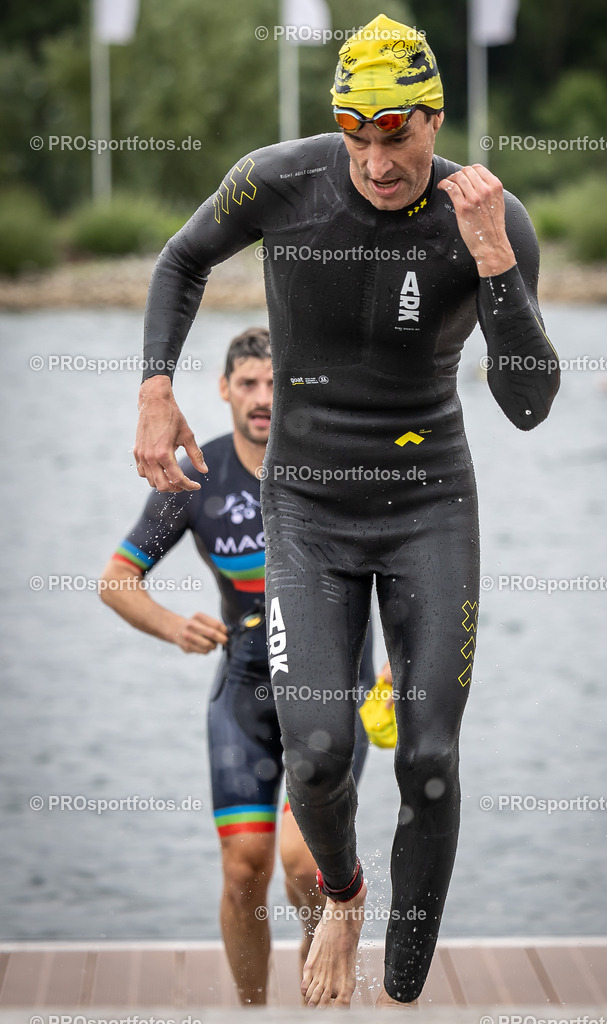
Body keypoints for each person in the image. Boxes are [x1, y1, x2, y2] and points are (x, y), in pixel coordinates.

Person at [132, 14, 561, 1008]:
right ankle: (344, 892)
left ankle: (403, 994)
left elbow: (529, 405)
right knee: (318, 753)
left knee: (429, 759)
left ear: (433, 118)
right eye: (355, 134)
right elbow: (178, 259)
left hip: (428, 506)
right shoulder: (280, 181)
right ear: (336, 126)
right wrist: (156, 387)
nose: (374, 158)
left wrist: (493, 256)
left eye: (396, 133)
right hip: (308, 510)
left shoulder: (487, 215)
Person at [100, 326, 374, 1005]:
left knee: (302, 864)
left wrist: (398, 669)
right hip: (245, 692)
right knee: (243, 867)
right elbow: (116, 579)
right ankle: (252, 1013)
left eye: (277, 383)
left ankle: (321, 970)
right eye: (248, 383)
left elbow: (400, 572)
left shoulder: (335, 467)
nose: (262, 398)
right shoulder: (196, 476)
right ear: (223, 390)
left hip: (332, 686)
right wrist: (172, 625)